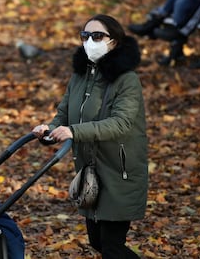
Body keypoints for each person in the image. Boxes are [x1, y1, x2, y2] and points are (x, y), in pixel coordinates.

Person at [32, 14, 148, 258]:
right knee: (98, 242)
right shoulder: (80, 76)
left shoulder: (127, 80)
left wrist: (74, 132)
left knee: (112, 247)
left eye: (97, 36)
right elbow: (64, 113)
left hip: (119, 172)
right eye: (85, 36)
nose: (90, 41)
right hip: (90, 172)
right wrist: (49, 130)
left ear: (114, 41)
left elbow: (121, 123)